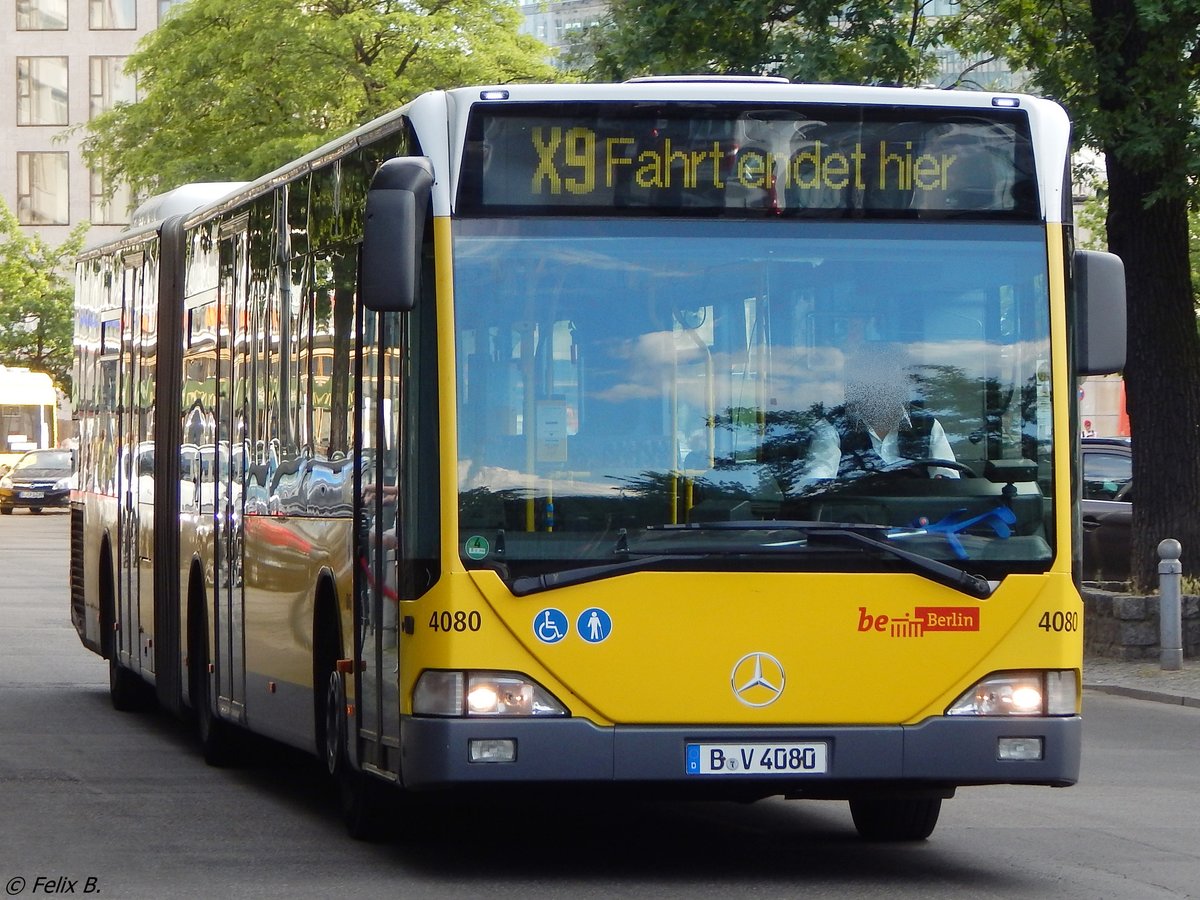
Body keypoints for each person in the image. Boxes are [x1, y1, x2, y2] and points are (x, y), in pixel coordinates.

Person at [802, 324, 959, 480]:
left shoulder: (926, 424)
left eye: (890, 377)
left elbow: (949, 484)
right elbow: (817, 483)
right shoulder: (832, 427)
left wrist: (942, 480)